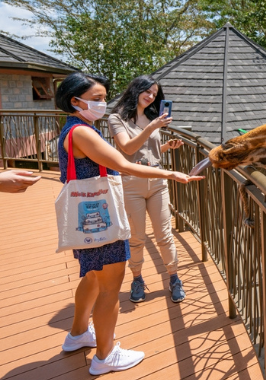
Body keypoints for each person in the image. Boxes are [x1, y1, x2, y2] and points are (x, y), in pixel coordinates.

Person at [55, 72, 202, 376]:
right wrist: (171, 174)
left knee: (93, 278)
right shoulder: (83, 132)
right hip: (100, 217)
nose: (102, 104)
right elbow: (122, 162)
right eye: (96, 99)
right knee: (110, 287)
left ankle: (78, 333)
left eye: (104, 98)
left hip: (87, 217)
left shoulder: (71, 129)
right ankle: (105, 356)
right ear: (75, 100)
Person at [107, 75, 186, 303]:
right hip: (131, 182)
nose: (151, 96)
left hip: (157, 180)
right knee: (137, 237)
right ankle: (137, 278)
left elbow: (150, 150)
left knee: (164, 235)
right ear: (136, 90)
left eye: (154, 93)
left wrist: (166, 147)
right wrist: (153, 126)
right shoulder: (117, 118)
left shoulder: (153, 116)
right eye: (148, 91)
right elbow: (128, 148)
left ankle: (174, 278)